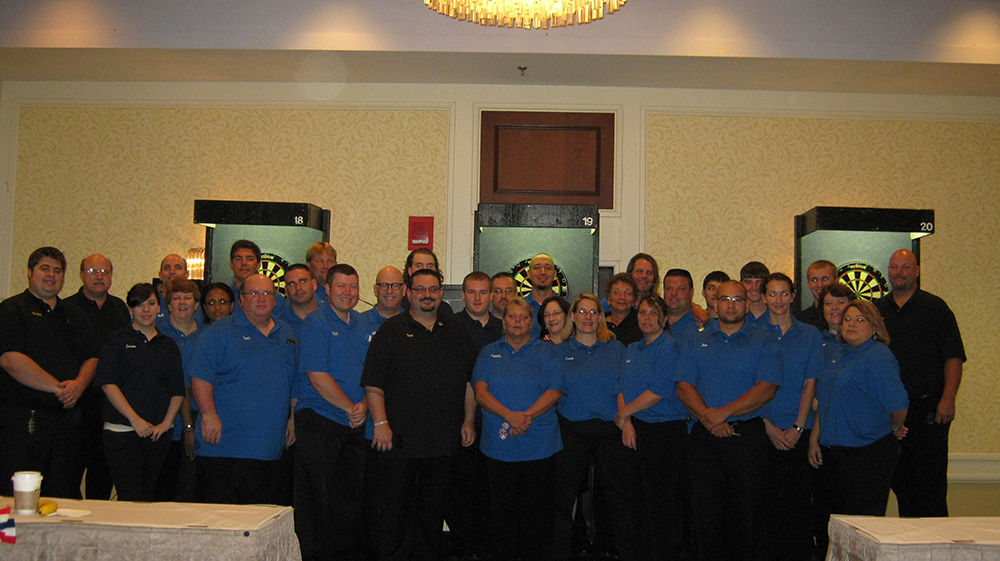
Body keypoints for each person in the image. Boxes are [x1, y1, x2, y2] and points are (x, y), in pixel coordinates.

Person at [361, 268, 478, 560]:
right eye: (420, 289)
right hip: (399, 441)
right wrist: (380, 423)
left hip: (443, 442)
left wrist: (467, 421)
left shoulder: (456, 331)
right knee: (394, 511)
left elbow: (469, 382)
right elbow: (374, 384)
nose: (427, 294)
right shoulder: (391, 331)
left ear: (441, 293)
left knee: (431, 513)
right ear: (408, 293)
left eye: (433, 289)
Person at [675, 280, 782, 561]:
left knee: (747, 515)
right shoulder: (695, 340)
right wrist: (708, 417)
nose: (730, 305)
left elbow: (766, 389)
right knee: (704, 514)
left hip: (747, 439)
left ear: (747, 305)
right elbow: (684, 387)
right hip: (704, 436)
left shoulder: (765, 341)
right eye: (724, 299)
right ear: (715, 303)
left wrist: (723, 413)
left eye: (737, 300)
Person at [808, 300, 909, 557]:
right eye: (847, 319)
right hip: (833, 454)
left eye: (860, 319)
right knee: (828, 528)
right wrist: (814, 439)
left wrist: (895, 429)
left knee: (859, 533)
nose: (851, 324)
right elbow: (826, 402)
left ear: (875, 327)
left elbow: (898, 404)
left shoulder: (878, 355)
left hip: (866, 456)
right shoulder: (842, 355)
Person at [189, 274, 297, 505]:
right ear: (241, 300)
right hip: (223, 446)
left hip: (269, 448)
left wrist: (292, 419)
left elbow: (293, 381)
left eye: (267, 293)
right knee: (220, 520)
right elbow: (200, 377)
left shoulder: (286, 333)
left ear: (275, 300)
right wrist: (209, 415)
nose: (262, 298)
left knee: (260, 518)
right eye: (254, 293)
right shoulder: (217, 333)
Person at [0, 247, 99, 499]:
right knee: (17, 498)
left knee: (63, 495)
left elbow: (92, 357)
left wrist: (79, 384)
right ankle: (11, 528)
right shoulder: (12, 309)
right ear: (30, 272)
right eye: (45, 269)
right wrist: (59, 388)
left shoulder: (75, 314)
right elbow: (10, 359)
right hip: (22, 423)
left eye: (57, 270)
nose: (52, 275)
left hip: (66, 423)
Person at [876, 248, 966, 518]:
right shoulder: (876, 310)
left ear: (916, 271)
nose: (899, 272)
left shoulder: (935, 308)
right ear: (888, 271)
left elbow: (953, 357)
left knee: (930, 489)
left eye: (906, 267)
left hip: (928, 412)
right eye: (894, 267)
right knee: (898, 483)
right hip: (887, 413)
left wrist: (948, 399)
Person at [473, 296, 563, 561]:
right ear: (503, 321)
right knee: (502, 511)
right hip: (499, 446)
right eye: (512, 316)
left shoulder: (546, 352)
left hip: (540, 445)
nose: (517, 321)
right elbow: (480, 392)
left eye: (523, 317)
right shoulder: (488, 353)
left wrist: (525, 417)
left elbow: (555, 390)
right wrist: (509, 416)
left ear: (531, 323)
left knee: (537, 511)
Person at [295, 264, 370, 561]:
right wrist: (352, 407)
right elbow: (317, 376)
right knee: (317, 497)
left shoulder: (363, 323)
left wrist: (364, 404)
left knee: (349, 497)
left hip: (354, 424)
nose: (347, 292)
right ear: (327, 289)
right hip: (320, 419)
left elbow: (371, 372)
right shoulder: (316, 322)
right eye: (341, 286)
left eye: (353, 286)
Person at [551, 293, 634, 561]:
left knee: (618, 495)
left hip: (610, 430)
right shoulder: (560, 352)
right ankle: (559, 552)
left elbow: (624, 387)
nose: (587, 317)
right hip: (572, 430)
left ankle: (619, 549)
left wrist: (627, 421)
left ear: (600, 317)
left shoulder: (616, 348)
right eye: (582, 311)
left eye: (593, 312)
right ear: (573, 316)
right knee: (564, 497)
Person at [94, 283, 185, 502]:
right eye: (139, 304)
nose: (146, 309)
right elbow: (107, 383)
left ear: (159, 308)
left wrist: (166, 424)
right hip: (122, 431)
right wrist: (135, 420)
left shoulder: (168, 345)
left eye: (151, 303)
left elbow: (177, 390)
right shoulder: (116, 340)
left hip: (158, 433)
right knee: (130, 497)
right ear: (130, 309)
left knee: (151, 497)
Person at [757, 273, 824, 561]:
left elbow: (810, 383)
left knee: (798, 507)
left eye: (784, 293)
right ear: (763, 297)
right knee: (764, 507)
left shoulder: (810, 335)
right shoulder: (753, 332)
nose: (778, 300)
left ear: (793, 296)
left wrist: (798, 427)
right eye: (772, 294)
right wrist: (767, 425)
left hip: (799, 430)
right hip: (762, 429)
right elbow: (749, 386)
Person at [615, 295, 687, 561]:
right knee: (638, 499)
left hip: (664, 432)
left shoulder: (669, 347)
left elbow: (659, 391)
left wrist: (624, 414)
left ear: (665, 319)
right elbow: (621, 387)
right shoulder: (633, 349)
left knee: (661, 502)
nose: (646, 318)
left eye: (653, 313)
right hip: (636, 429)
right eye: (643, 312)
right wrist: (627, 422)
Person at [64, 254, 130, 500]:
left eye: (105, 272)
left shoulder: (120, 309)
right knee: (69, 470)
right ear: (81, 275)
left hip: (110, 402)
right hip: (78, 400)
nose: (99, 277)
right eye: (93, 271)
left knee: (103, 472)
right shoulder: (66, 309)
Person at [154, 278, 203, 502]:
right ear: (168, 305)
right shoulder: (156, 333)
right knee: (162, 487)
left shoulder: (207, 335)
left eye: (188, 298)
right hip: (162, 418)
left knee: (190, 488)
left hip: (197, 416)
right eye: (176, 298)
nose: (182, 302)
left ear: (196, 304)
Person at [456, 271, 504, 351]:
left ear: (491, 296)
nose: (477, 298)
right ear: (463, 295)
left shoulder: (502, 329)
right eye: (472, 292)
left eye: (483, 292)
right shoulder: (449, 327)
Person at [401, 248, 454, 315]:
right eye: (419, 266)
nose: (425, 269)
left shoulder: (444, 310)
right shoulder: (399, 306)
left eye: (430, 266)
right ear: (410, 271)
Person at [663, 269, 703, 346]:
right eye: (668, 288)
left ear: (691, 293)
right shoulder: (653, 323)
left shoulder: (704, 325)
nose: (673, 293)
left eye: (680, 289)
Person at [817, 283, 855, 364]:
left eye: (840, 302)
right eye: (828, 303)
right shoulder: (815, 342)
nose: (834, 307)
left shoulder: (861, 342)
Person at [361, 266, 406, 331]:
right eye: (384, 285)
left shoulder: (412, 323)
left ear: (404, 290)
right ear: (375, 290)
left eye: (395, 285)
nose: (389, 291)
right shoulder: (360, 323)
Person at [278, 264, 318, 335]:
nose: (298, 287)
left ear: (314, 284)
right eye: (291, 284)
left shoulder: (331, 316)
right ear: (286, 291)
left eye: (303, 281)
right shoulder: (279, 327)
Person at [524, 254, 557, 339]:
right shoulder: (520, 308)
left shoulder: (567, 308)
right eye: (537, 268)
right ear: (529, 273)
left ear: (554, 274)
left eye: (548, 268)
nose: (542, 272)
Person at [797, 260, 838, 329]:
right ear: (808, 284)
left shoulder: (847, 317)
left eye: (825, 279)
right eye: (814, 280)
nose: (819, 284)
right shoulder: (800, 321)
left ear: (836, 281)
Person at [605, 273, 643, 347]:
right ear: (608, 298)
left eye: (628, 293)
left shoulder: (641, 321)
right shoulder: (599, 322)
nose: (622, 297)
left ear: (634, 300)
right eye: (617, 292)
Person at [306, 242, 337, 306]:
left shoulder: (341, 293)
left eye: (330, 261)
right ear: (308, 265)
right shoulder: (303, 294)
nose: (326, 266)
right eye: (319, 261)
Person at [740, 261, 771, 326]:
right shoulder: (736, 316)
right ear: (740, 284)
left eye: (759, 282)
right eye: (748, 282)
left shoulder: (776, 315)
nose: (754, 288)